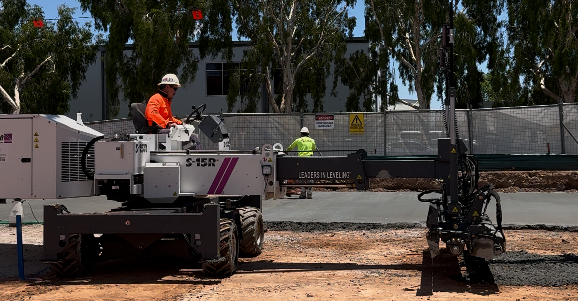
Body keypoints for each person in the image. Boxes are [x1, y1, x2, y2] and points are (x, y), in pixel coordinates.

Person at [145, 73, 202, 150]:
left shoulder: (166, 101)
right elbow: (153, 113)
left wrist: (181, 123)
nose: (175, 91)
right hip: (157, 131)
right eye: (175, 88)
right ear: (167, 86)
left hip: (164, 130)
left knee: (189, 135)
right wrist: (167, 124)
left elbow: (169, 118)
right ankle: (198, 158)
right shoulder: (156, 98)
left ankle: (192, 157)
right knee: (192, 137)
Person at [286, 127, 316, 199]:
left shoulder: (298, 140)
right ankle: (309, 192)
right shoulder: (312, 140)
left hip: (301, 160)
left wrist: (286, 151)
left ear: (301, 133)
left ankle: (302, 191)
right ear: (308, 133)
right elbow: (313, 149)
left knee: (300, 175)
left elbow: (290, 147)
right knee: (310, 175)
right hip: (309, 160)